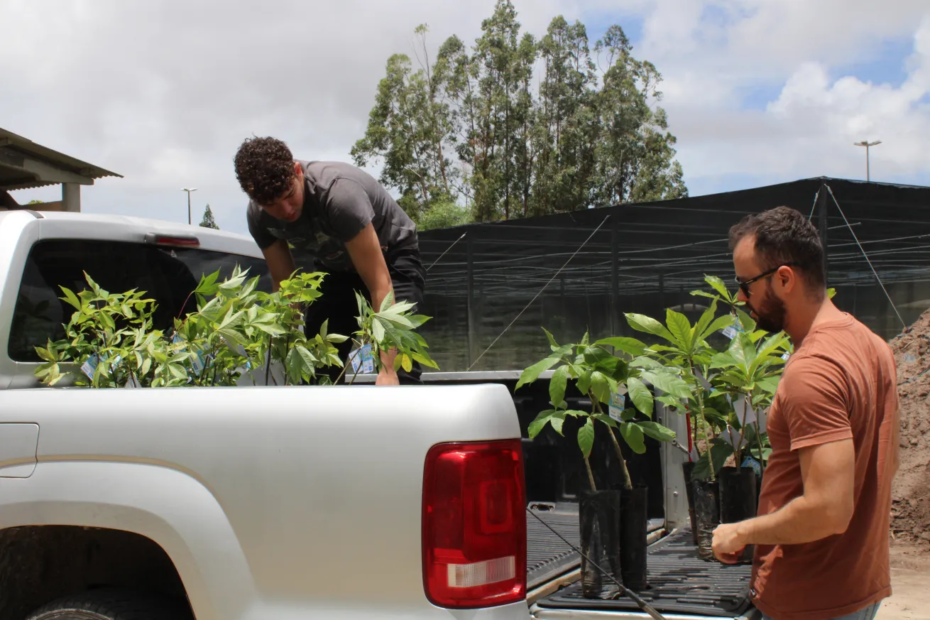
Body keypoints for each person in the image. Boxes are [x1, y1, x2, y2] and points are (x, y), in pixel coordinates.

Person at [712, 206, 899, 620]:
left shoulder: (811, 370)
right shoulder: (874, 347)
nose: (741, 298)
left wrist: (740, 531)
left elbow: (828, 510)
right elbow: (888, 461)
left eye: (745, 285)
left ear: (784, 279)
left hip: (811, 599)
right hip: (858, 587)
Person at [234, 136, 424, 386]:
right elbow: (285, 286)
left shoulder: (338, 194)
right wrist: (287, 356)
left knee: (399, 369)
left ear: (297, 171)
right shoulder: (260, 219)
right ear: (255, 199)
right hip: (335, 267)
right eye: (272, 205)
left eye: (290, 195)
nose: (287, 211)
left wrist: (387, 370)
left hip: (391, 258)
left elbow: (379, 282)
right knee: (317, 369)